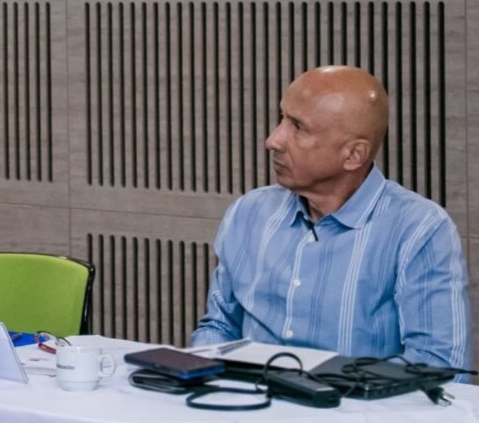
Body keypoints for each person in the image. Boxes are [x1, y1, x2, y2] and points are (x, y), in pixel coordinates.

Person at [191, 66, 471, 373]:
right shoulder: (249, 212)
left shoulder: (420, 230)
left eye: (298, 127)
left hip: (357, 415)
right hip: (244, 409)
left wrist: (319, 392)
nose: (273, 140)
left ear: (353, 155)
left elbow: (438, 367)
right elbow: (218, 327)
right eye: (281, 118)